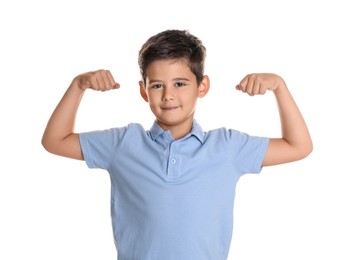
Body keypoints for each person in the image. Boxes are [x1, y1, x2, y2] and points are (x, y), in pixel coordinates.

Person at [41, 29, 312, 260]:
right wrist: (78, 85)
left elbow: (298, 146)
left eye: (180, 83)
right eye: (157, 85)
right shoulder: (123, 144)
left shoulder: (228, 147)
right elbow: (55, 140)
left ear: (202, 86)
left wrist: (279, 87)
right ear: (143, 91)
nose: (168, 95)